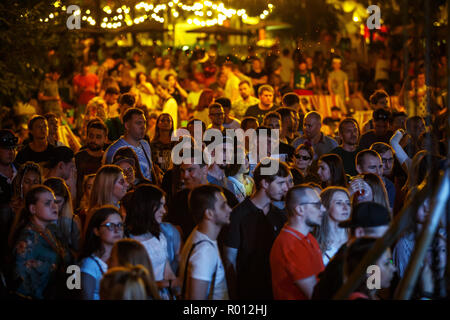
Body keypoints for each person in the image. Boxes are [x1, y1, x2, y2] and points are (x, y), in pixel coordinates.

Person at [224, 159, 289, 300]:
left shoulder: (280, 216)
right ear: (264, 183)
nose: (285, 188)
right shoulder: (238, 215)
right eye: (280, 183)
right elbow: (230, 261)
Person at [312, 201, 392, 300]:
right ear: (360, 233)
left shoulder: (368, 259)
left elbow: (372, 291)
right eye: (380, 238)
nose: (384, 243)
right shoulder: (343, 265)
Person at [9, 185, 72, 299]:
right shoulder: (27, 239)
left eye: (55, 202)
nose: (55, 206)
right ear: (33, 209)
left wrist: (75, 290)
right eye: (48, 203)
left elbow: (70, 262)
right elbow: (21, 286)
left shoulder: (52, 230)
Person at [270, 185, 326, 299]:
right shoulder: (291, 245)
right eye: (317, 205)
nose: (323, 209)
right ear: (299, 209)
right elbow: (315, 295)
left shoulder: (307, 237)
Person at [125, 184, 179, 300]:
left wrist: (173, 289)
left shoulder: (158, 235)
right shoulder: (128, 239)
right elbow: (133, 282)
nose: (164, 211)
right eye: (159, 206)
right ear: (146, 206)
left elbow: (167, 270)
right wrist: (167, 284)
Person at [179, 185, 231, 300]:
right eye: (223, 206)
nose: (229, 209)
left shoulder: (199, 236)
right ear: (209, 214)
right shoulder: (204, 252)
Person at [79, 205, 123, 300]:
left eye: (120, 225)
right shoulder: (89, 264)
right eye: (110, 226)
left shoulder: (125, 257)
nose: (117, 230)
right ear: (96, 231)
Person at [104, 108, 153, 182]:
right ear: (127, 126)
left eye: (144, 122)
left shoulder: (145, 144)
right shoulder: (115, 150)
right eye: (138, 123)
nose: (143, 126)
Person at [43, 177, 81, 254]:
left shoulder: (73, 221)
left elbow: (78, 253)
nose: (54, 206)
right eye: (48, 202)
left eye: (58, 202)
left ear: (65, 201)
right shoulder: (37, 220)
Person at [85, 165, 129, 230]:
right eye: (121, 182)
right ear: (108, 185)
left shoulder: (123, 208)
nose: (127, 184)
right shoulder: (97, 213)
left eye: (125, 180)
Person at [314, 187, 350, 266]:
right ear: (325, 207)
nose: (345, 207)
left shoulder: (357, 239)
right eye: (339, 203)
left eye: (348, 203)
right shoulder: (314, 245)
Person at [75, 120, 107, 207]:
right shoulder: (78, 157)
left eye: (98, 137)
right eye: (91, 136)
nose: (94, 140)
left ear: (105, 139)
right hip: (80, 206)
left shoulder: (108, 159)